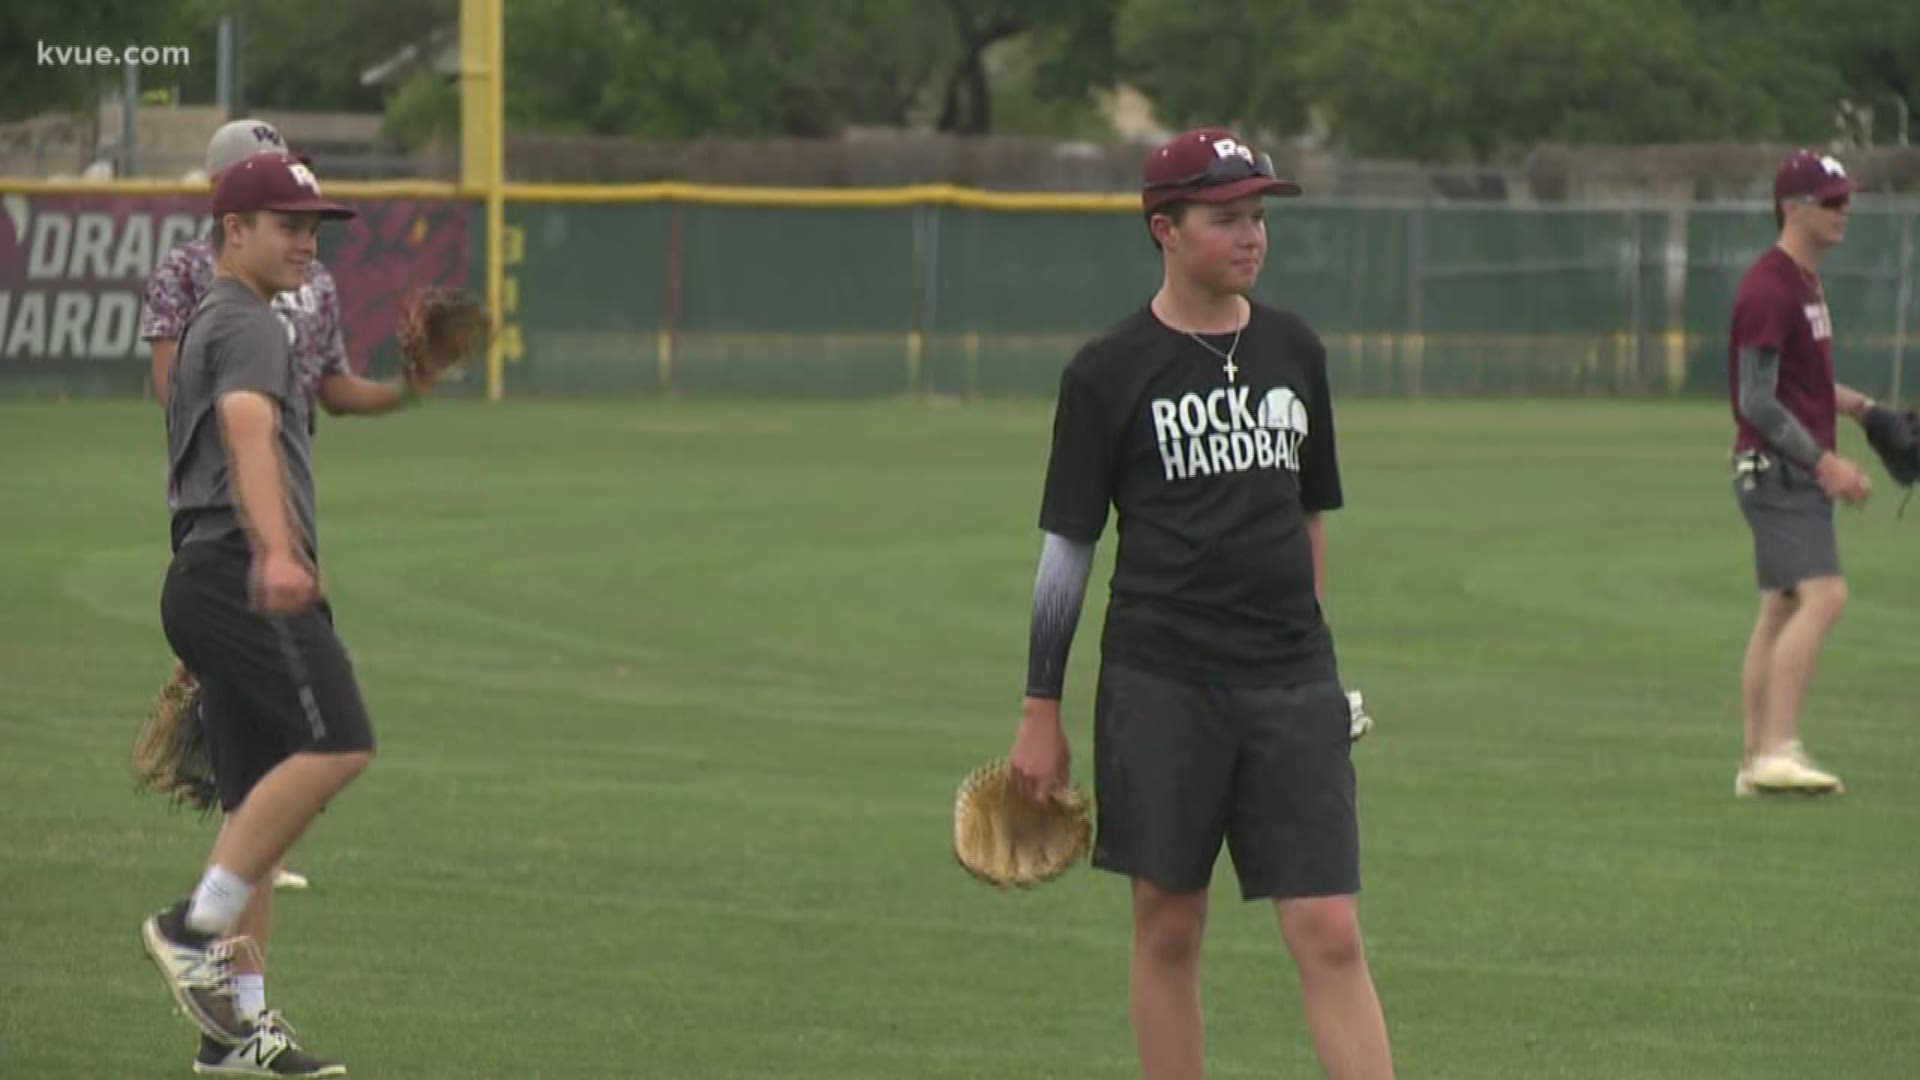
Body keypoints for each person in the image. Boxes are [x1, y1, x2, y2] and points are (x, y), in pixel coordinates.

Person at [1007, 127, 1395, 1080]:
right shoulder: (1106, 372)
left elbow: (1308, 521)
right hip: (1162, 681)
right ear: (1164, 229)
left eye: (1259, 216)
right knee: (1170, 927)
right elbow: (1068, 551)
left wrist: (1317, 673)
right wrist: (1040, 713)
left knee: (1330, 928)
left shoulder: (1295, 350)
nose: (1252, 236)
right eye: (1227, 219)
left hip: (1289, 682)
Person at [141, 150, 374, 1079]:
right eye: (288, 223)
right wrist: (278, 554)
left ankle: (233, 1034)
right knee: (340, 744)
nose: (306, 239)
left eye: (314, 225)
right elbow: (246, 427)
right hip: (240, 571)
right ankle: (190, 926)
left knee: (255, 808)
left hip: (204, 573)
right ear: (233, 230)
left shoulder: (228, 317)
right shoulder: (249, 324)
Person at [1727, 148, 1879, 797]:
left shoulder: (1805, 284)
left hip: (1782, 468)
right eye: (1832, 202)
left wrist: (1864, 410)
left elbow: (1802, 382)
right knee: (1824, 596)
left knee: (1782, 607)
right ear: (1794, 209)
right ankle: (1777, 751)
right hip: (1780, 470)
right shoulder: (1770, 286)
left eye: (1847, 200)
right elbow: (1756, 396)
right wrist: (1826, 463)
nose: (1845, 212)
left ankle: (1755, 758)